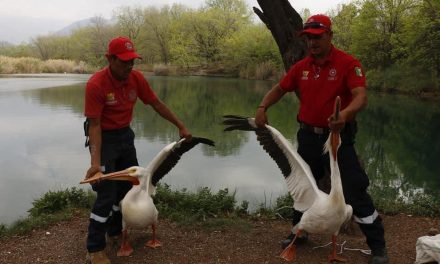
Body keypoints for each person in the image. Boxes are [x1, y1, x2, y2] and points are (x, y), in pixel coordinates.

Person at [254, 14, 389, 264]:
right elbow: (280, 88)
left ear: (330, 36)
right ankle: (299, 233)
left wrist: (345, 115)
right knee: (305, 187)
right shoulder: (302, 67)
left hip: (337, 138)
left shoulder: (348, 63)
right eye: (308, 38)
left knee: (354, 189)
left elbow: (361, 96)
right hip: (307, 137)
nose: (312, 42)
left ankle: (378, 248)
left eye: (317, 37)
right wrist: (263, 107)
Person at [83, 36, 191, 264]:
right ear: (109, 59)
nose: (129, 66)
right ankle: (95, 248)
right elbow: (94, 126)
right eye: (124, 62)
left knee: (127, 189)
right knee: (106, 193)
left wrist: (180, 125)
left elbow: (156, 104)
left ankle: (114, 232)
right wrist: (95, 163)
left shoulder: (136, 78)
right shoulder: (96, 84)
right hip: (104, 138)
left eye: (132, 61)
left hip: (125, 136)